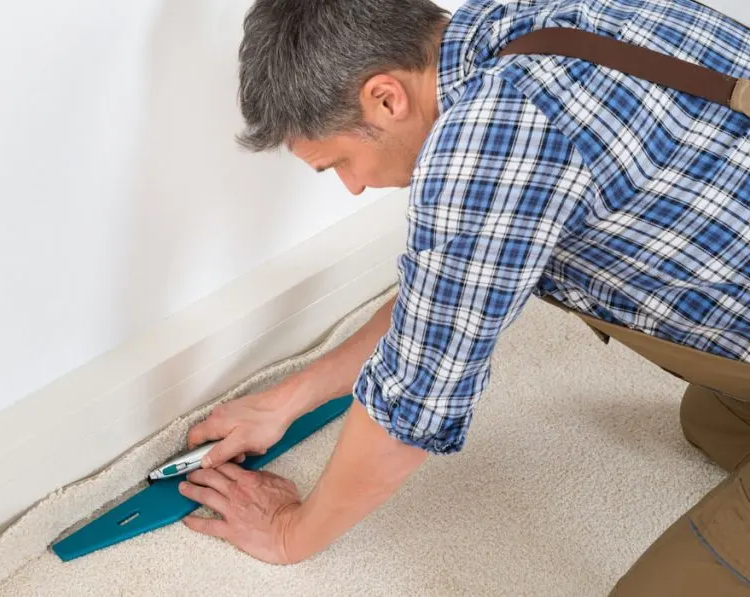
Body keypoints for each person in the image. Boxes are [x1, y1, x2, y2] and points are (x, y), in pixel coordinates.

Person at [176, 0, 750, 593]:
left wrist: (290, 533)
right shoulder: (522, 22)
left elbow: (417, 400)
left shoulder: (491, 140)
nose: (352, 187)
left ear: (386, 98)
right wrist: (285, 402)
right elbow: (446, 299)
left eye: (339, 163)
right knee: (711, 421)